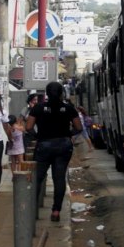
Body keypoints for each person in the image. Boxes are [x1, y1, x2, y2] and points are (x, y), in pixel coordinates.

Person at [26, 81, 82, 222]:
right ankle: (56, 211)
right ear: (62, 93)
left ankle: (32, 209)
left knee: (38, 177)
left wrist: (38, 136)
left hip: (44, 145)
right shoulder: (68, 108)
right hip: (63, 145)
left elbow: (28, 127)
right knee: (59, 178)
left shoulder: (38, 108)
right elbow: (79, 127)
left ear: (47, 93)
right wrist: (68, 134)